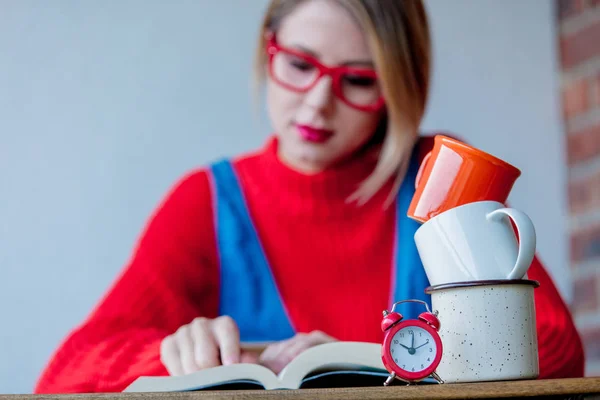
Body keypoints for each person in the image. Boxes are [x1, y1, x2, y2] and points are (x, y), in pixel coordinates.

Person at [35, 0, 585, 393]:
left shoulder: (438, 177)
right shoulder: (204, 201)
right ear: (266, 53)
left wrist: (356, 361)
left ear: (398, 89)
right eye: (300, 65)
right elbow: (64, 375)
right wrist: (178, 357)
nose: (319, 103)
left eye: (358, 81)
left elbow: (555, 351)